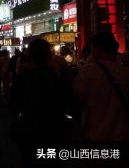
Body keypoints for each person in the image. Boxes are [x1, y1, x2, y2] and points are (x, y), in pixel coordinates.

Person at [9, 38, 75, 168]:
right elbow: (69, 100)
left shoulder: (23, 78)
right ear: (49, 54)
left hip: (29, 131)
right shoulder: (56, 77)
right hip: (54, 129)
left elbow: (13, 104)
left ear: (30, 54)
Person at [73, 32, 129, 168]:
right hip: (123, 135)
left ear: (96, 49)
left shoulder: (87, 73)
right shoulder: (125, 72)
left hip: (95, 136)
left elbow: (76, 101)